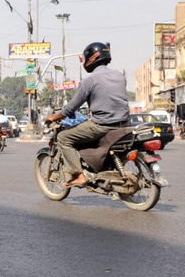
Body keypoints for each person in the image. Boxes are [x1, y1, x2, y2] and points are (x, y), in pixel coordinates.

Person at [45, 42, 130, 188]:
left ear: (90, 58)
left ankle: (79, 175)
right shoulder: (119, 76)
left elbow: (71, 108)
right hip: (124, 123)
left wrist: (54, 117)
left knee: (63, 137)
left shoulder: (89, 80)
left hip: (102, 125)